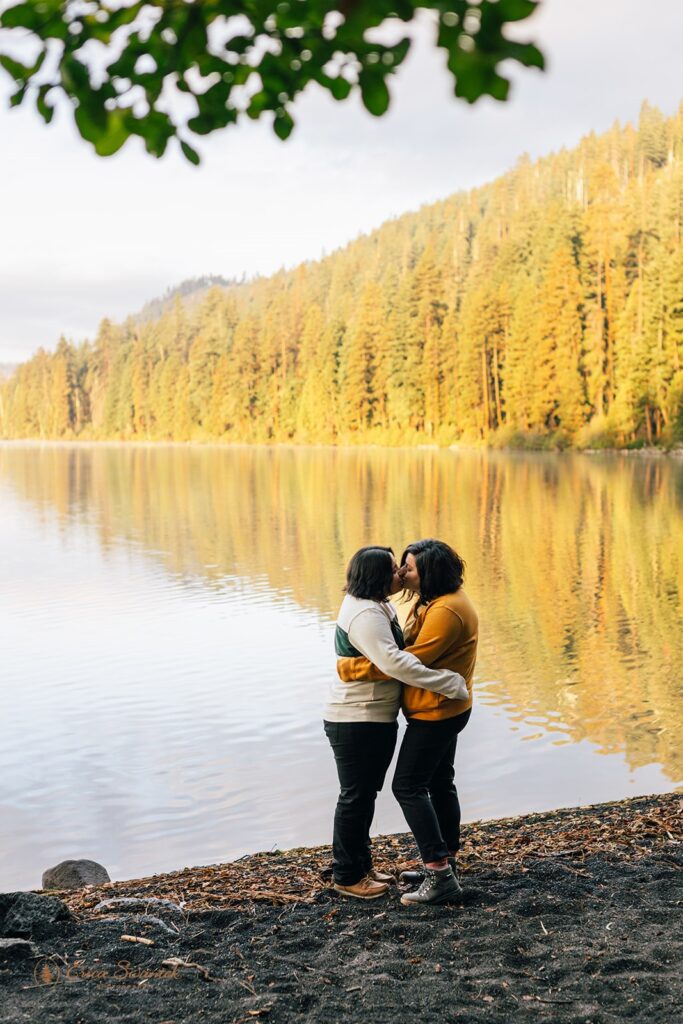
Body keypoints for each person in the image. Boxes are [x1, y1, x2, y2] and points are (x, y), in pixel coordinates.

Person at [337, 538, 478, 907]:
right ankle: (446, 861)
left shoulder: (447, 611)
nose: (401, 572)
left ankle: (440, 873)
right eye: (399, 567)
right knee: (438, 782)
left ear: (429, 573)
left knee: (408, 787)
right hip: (437, 708)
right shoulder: (431, 602)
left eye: (409, 567)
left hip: (437, 711)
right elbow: (399, 659)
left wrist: (350, 666)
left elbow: (406, 661)